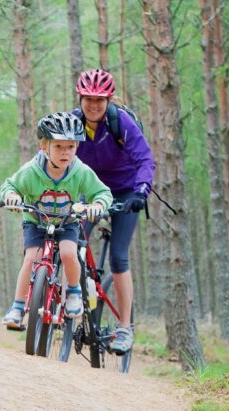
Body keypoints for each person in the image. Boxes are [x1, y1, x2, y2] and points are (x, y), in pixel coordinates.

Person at [0, 112, 113, 329]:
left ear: (77, 148)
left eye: (70, 147)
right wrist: (12, 197)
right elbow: (9, 186)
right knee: (31, 258)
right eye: (59, 146)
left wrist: (97, 206)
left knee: (69, 253)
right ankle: (17, 307)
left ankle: (73, 291)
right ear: (44, 147)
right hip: (36, 221)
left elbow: (102, 192)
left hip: (67, 221)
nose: (65, 152)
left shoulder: (79, 171)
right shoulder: (32, 171)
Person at [72, 68, 155, 354]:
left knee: (119, 256)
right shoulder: (71, 123)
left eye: (100, 99)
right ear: (80, 98)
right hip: (93, 192)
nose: (94, 105)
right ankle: (75, 301)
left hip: (125, 192)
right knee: (70, 240)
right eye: (88, 99)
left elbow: (145, 159)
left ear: (108, 100)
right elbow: (50, 155)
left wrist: (141, 191)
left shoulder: (120, 122)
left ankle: (124, 328)